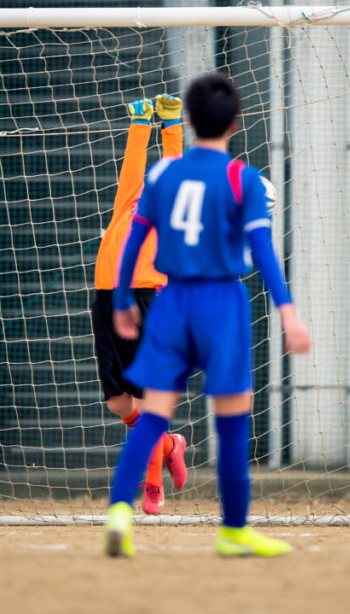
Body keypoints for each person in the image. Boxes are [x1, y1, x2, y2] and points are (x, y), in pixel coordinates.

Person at [104, 73, 311, 557]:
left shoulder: (161, 176)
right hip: (222, 304)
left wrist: (121, 303)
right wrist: (289, 313)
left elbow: (132, 241)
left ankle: (119, 511)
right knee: (233, 420)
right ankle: (234, 530)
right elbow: (263, 251)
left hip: (172, 302)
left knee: (154, 414)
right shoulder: (243, 180)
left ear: (191, 121)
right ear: (235, 124)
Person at [91, 95, 187, 515]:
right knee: (118, 403)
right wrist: (141, 122)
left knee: (149, 401)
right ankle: (169, 444)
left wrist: (171, 123)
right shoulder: (127, 205)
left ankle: (152, 486)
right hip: (107, 298)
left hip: (148, 299)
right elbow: (132, 166)